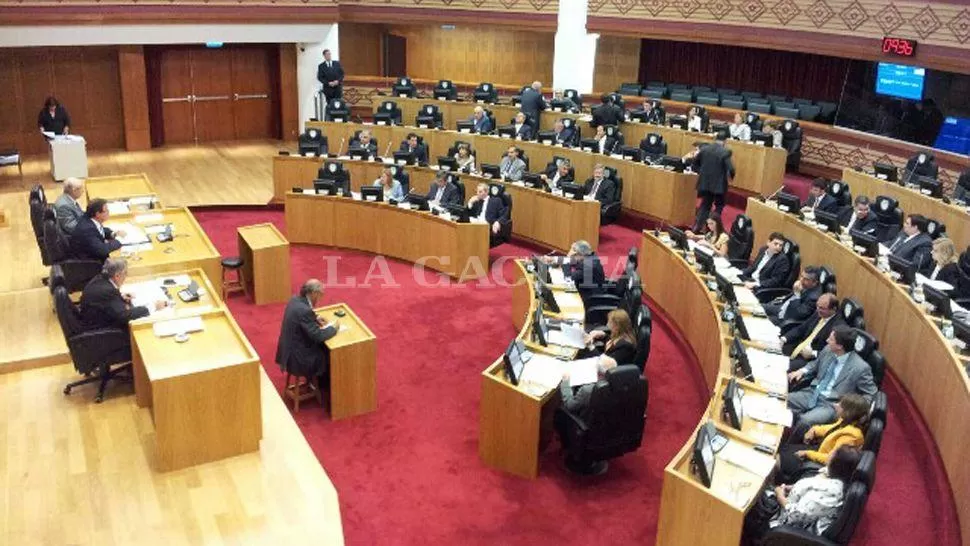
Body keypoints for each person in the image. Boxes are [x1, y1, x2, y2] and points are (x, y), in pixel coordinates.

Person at [745, 446, 861, 542]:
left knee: (747, 500)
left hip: (783, 526)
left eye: (833, 453)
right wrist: (791, 488)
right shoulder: (832, 474)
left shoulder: (831, 493)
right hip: (786, 505)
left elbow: (795, 516)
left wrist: (780, 495)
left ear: (837, 463)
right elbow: (810, 488)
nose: (829, 453)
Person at [786, 326, 877, 436]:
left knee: (805, 421)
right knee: (782, 399)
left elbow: (870, 394)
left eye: (831, 339)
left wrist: (849, 407)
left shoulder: (861, 367)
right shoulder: (828, 350)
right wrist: (802, 371)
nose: (827, 341)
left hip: (831, 404)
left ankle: (789, 446)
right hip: (813, 392)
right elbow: (815, 364)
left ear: (839, 346)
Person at [776, 394, 868, 484]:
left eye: (840, 405)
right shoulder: (845, 421)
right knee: (782, 448)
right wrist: (814, 430)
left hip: (819, 464)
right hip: (818, 451)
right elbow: (828, 429)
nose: (836, 405)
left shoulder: (851, 436)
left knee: (779, 458)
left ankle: (772, 483)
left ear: (848, 412)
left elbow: (832, 459)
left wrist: (808, 454)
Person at [275, 279, 340, 388]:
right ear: (314, 293)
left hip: (287, 351)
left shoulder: (294, 300)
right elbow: (318, 335)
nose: (321, 297)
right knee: (328, 352)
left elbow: (303, 316)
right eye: (321, 294)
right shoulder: (304, 311)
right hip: (297, 358)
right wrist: (334, 329)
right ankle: (324, 387)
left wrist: (315, 317)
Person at [79, 258, 166, 331]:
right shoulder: (108, 291)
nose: (126, 276)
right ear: (117, 276)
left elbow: (106, 303)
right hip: (101, 331)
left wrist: (120, 298)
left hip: (92, 319)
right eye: (125, 273)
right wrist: (153, 306)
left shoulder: (100, 278)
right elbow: (124, 317)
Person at [685, 135, 735, 231]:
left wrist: (701, 172)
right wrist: (731, 178)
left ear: (715, 140)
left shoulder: (705, 149)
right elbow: (731, 168)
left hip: (705, 182)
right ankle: (713, 228)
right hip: (719, 185)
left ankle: (697, 227)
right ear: (725, 141)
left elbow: (694, 163)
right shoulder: (725, 152)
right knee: (719, 205)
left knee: (705, 204)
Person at [782, 294, 843, 367]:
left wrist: (813, 353)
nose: (817, 309)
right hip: (798, 348)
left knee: (780, 367)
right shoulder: (818, 313)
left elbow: (832, 352)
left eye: (822, 308)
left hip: (810, 361)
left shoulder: (838, 327)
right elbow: (801, 329)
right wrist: (784, 339)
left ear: (833, 309)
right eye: (817, 306)